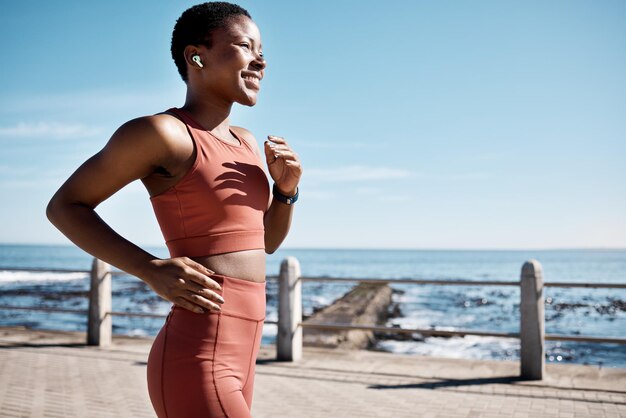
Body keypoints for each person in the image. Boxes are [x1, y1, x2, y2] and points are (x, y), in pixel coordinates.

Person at [46, 2, 302, 416]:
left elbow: (266, 243)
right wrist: (150, 269)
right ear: (195, 56)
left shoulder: (248, 143)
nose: (261, 60)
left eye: (262, 50)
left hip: (246, 355)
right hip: (198, 354)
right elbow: (64, 206)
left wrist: (286, 191)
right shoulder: (163, 133)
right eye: (244, 45)